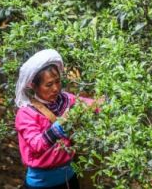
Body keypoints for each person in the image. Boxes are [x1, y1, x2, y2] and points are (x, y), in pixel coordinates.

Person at [15, 49, 94, 189]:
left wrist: (109, 101)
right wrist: (60, 125)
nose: (56, 88)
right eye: (49, 85)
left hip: (70, 178)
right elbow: (36, 144)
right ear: (34, 86)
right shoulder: (26, 114)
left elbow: (91, 104)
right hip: (41, 184)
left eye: (58, 82)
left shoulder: (66, 100)